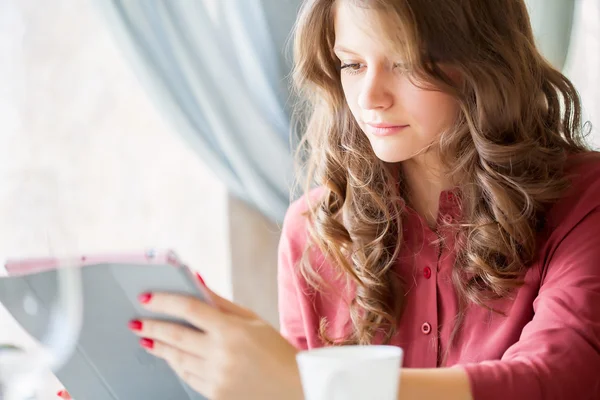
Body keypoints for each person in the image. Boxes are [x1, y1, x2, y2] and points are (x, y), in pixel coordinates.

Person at [60, 0, 600, 399]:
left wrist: (308, 384)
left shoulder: (584, 199)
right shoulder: (313, 231)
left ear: (484, 61)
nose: (370, 97)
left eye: (405, 62)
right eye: (353, 64)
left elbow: (560, 378)